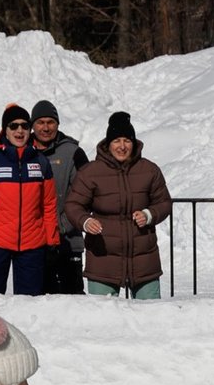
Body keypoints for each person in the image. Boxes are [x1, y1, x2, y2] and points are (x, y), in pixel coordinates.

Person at [64, 111, 172, 299]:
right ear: (108, 143)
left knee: (150, 314)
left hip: (144, 260)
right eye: (116, 141)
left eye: (127, 141)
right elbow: (73, 205)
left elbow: (163, 202)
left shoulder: (149, 170)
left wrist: (149, 214)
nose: (122, 146)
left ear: (134, 143)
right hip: (103, 259)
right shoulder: (90, 172)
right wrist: (85, 221)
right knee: (104, 315)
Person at [0, 105, 55, 296]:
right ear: (5, 130)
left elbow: (48, 206)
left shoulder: (41, 163)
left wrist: (51, 243)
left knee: (28, 304)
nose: (19, 131)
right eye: (13, 126)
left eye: (25, 126)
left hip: (32, 245)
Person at [30, 101, 88, 294]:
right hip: (34, 244)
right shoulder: (23, 153)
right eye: (40, 122)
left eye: (51, 122)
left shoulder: (73, 153)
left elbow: (85, 196)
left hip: (68, 243)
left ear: (58, 124)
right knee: (36, 303)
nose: (46, 128)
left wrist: (60, 227)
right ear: (32, 125)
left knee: (72, 303)